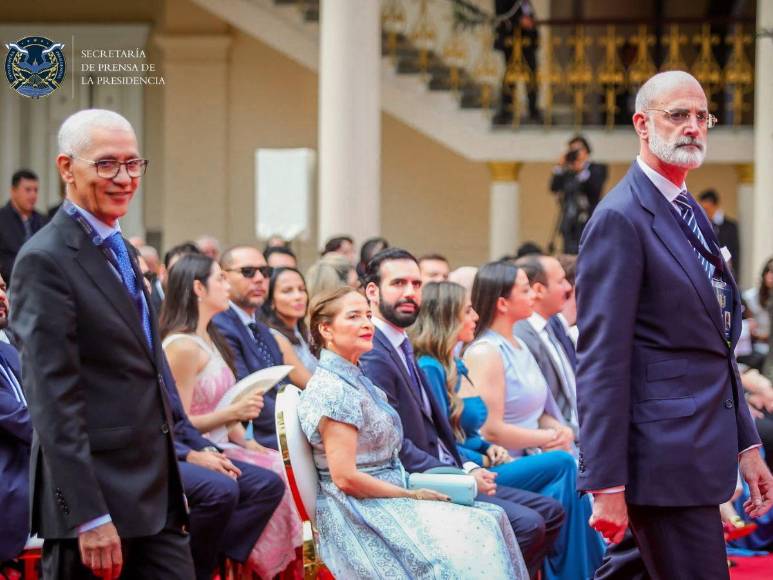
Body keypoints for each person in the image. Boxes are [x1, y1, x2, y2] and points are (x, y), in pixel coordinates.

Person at [576, 71, 773, 578]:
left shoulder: (686, 207)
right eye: (678, 115)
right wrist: (606, 483)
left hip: (694, 446)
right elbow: (601, 361)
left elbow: (715, 346)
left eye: (702, 116)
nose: (693, 127)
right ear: (642, 124)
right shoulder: (620, 217)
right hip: (663, 462)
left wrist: (746, 442)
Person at [10, 109, 193, 578]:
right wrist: (88, 515)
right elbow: (52, 400)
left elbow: (147, 367)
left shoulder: (124, 250)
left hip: (155, 495)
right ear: (67, 168)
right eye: (107, 164)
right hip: (96, 505)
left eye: (133, 164)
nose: (124, 178)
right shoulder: (44, 259)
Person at [359, 248, 564, 578]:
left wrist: (469, 463)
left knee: (550, 511)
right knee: (529, 523)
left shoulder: (402, 345)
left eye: (416, 284)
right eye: (398, 283)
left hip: (449, 467)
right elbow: (396, 443)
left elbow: (439, 433)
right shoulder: (375, 354)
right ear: (372, 291)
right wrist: (461, 474)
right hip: (419, 483)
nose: (410, 292)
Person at [297, 286, 528, 579]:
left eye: (368, 315)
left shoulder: (355, 378)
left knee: (492, 517)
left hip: (388, 490)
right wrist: (411, 494)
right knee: (476, 531)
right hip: (358, 511)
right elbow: (345, 478)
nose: (367, 323)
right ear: (326, 329)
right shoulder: (333, 390)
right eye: (354, 317)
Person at [136, 252, 286, 580]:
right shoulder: (182, 346)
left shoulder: (212, 337)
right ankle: (201, 563)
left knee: (277, 470)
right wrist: (232, 415)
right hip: (191, 444)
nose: (226, 285)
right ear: (198, 288)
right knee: (248, 483)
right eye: (220, 278)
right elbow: (179, 419)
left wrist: (247, 440)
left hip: (214, 441)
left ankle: (221, 558)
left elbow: (223, 408)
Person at [462, 263, 605, 580]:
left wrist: (558, 429)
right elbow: (491, 430)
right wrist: (547, 439)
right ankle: (576, 572)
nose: (533, 295)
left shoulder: (520, 344)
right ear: (502, 303)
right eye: (525, 290)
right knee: (564, 464)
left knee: (572, 462)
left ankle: (589, 568)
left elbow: (539, 409)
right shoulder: (486, 351)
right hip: (502, 461)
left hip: (534, 453)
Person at [212, 245, 287, 448]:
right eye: (248, 272)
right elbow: (244, 394)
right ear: (223, 277)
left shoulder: (262, 329)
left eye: (265, 271)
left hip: (281, 428)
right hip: (251, 437)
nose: (259, 279)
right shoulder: (219, 324)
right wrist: (296, 421)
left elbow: (283, 385)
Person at [514, 255, 578, 433]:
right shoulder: (521, 336)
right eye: (561, 281)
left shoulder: (551, 326)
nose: (568, 287)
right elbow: (536, 409)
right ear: (539, 290)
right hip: (555, 436)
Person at [0, 273, 31, 565]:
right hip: (11, 488)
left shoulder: (11, 346)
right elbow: (21, 419)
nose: (1, 296)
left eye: (2, 287)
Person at [549, 136, 608, 254]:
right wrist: (559, 167)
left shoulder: (597, 168)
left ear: (586, 151)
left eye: (578, 150)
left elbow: (595, 191)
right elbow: (554, 187)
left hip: (589, 221)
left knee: (588, 254)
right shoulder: (567, 171)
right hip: (569, 221)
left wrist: (581, 171)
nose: (575, 154)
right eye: (572, 150)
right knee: (568, 255)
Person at [263, 266, 317, 385]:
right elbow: (310, 384)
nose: (298, 296)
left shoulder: (304, 330)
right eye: (287, 291)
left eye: (302, 289)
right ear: (271, 301)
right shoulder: (275, 337)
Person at [493, 0, 540, 125]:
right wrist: (519, 20)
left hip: (527, 41)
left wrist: (530, 23)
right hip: (510, 40)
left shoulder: (523, 2)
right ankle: (506, 109)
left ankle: (533, 109)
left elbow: (528, 11)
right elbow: (501, 14)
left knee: (531, 74)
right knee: (510, 75)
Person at [0, 169, 47, 282]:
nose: (33, 195)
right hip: (9, 283)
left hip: (40, 283)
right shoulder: (2, 219)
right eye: (28, 190)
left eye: (36, 190)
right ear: (13, 191)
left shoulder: (44, 221)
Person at [699, 189, 741, 280]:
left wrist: (734, 276)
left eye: (706, 209)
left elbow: (735, 252)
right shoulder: (702, 225)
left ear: (713, 205)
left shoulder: (730, 226)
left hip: (726, 273)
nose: (704, 212)